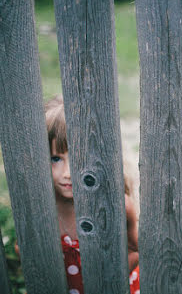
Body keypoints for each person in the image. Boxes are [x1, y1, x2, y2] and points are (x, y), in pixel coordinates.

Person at [45, 96, 140, 294]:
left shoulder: (119, 204)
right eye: (56, 158)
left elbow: (136, 248)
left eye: (78, 158)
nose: (68, 173)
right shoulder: (43, 206)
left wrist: (108, 281)